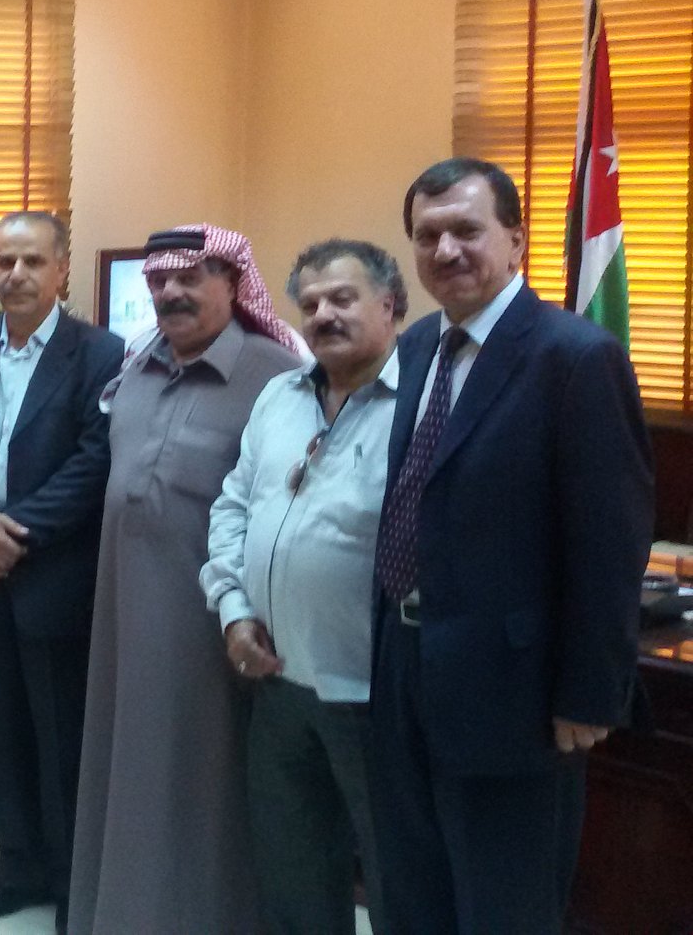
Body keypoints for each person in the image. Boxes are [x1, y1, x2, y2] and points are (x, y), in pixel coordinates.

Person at [368, 158, 651, 935]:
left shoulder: (575, 356)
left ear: (517, 241)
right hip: (403, 665)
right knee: (412, 894)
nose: (446, 250)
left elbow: (610, 545)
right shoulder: (418, 346)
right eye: (428, 235)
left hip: (515, 691)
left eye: (467, 230)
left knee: (504, 907)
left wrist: (591, 693)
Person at [67, 224, 303, 935]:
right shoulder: (138, 364)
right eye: (158, 280)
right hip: (120, 613)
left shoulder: (276, 376)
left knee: (198, 779)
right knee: (124, 766)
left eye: (189, 277)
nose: (170, 292)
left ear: (233, 282)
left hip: (210, 624)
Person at [0, 211, 121, 934]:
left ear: (62, 268)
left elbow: (95, 461)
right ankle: (17, 866)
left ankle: (71, 882)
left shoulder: (100, 353)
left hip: (53, 578)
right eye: (5, 261)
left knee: (59, 736)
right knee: (0, 732)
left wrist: (12, 533)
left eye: (33, 261)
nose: (16, 275)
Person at [200, 239, 406, 935]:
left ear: (390, 306)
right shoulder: (280, 396)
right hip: (278, 684)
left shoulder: (420, 406)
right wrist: (233, 611)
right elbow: (233, 506)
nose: (323, 315)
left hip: (373, 694)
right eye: (310, 303)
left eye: (342, 298)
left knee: (398, 878)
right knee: (294, 875)